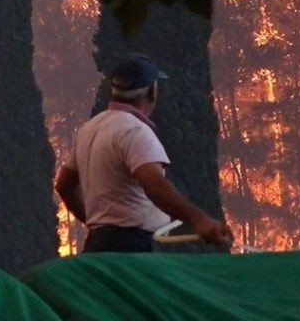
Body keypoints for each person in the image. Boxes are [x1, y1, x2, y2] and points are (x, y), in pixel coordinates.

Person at [54, 53, 233, 253]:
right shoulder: (135, 131)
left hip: (97, 245)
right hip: (132, 247)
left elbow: (64, 186)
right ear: (152, 91)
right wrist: (200, 221)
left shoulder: (90, 128)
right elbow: (154, 185)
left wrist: (98, 225)